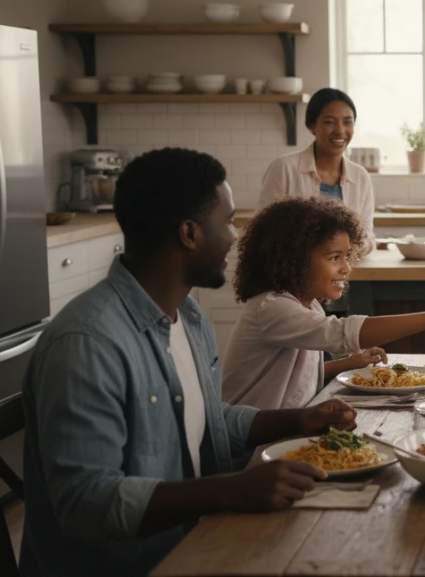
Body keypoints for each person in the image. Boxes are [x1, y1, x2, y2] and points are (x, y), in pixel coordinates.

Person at [20, 149, 357, 577]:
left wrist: (298, 419)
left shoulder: (189, 317)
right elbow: (87, 502)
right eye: (229, 221)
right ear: (189, 234)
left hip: (199, 540)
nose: (236, 237)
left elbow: (206, 419)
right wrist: (228, 490)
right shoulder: (87, 344)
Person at [223, 196, 425, 409]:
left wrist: (348, 364)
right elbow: (340, 333)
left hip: (282, 431)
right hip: (250, 445)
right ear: (292, 259)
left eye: (346, 257)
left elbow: (301, 377)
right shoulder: (271, 308)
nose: (346, 268)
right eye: (334, 258)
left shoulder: (307, 304)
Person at [258, 88, 374, 257]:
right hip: (295, 277)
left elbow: (367, 237)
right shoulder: (284, 168)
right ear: (312, 125)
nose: (340, 130)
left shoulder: (361, 177)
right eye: (329, 122)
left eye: (347, 122)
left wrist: (341, 253)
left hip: (347, 273)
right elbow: (263, 231)